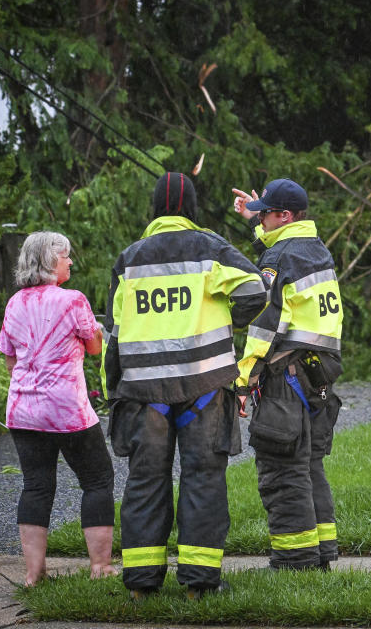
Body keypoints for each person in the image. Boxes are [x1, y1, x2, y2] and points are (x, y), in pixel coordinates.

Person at [102, 172, 267, 599]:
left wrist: (110, 388)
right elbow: (257, 289)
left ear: (155, 207)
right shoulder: (211, 248)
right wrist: (224, 319)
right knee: (203, 478)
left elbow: (115, 334)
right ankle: (199, 585)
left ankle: (141, 587)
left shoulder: (130, 258)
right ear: (191, 208)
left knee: (144, 483)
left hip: (142, 395)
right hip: (204, 387)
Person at [230, 178, 344, 571]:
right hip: (318, 376)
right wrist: (253, 222)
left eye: (265, 213)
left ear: (285, 216)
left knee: (282, 469)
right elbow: (279, 252)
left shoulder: (279, 261)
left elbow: (263, 328)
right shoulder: (316, 250)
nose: (260, 218)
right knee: (310, 465)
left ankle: (295, 562)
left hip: (285, 376)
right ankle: (322, 555)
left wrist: (243, 381)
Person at [0, 231, 117, 587]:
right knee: (97, 480)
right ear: (51, 261)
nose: (70, 261)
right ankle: (100, 566)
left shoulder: (15, 303)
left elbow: (9, 356)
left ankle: (34, 573)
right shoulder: (73, 300)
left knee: (36, 486)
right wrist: (95, 328)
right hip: (67, 410)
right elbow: (94, 347)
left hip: (22, 410)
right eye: (66, 256)